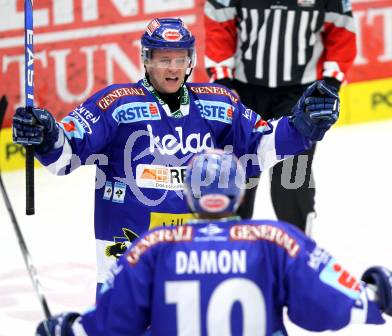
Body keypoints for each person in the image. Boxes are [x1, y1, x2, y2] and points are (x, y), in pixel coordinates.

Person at [12, 18, 339, 293]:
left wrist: (301, 124)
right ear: (146, 59)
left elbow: (261, 145)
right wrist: (46, 135)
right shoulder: (116, 104)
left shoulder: (218, 104)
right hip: (127, 265)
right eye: (163, 58)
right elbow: (64, 155)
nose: (173, 68)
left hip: (196, 263)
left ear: (191, 60)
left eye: (180, 58)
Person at [36, 150, 392, 336]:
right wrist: (378, 294)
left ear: (189, 194)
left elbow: (112, 324)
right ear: (237, 194)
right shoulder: (275, 240)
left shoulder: (154, 246)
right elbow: (325, 306)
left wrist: (67, 328)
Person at [204, 0, 357, 233]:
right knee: (237, 171)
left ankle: (299, 249)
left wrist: (330, 84)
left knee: (291, 175)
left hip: (300, 93)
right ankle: (228, 245)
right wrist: (224, 83)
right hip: (243, 91)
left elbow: (342, 30)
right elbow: (219, 22)